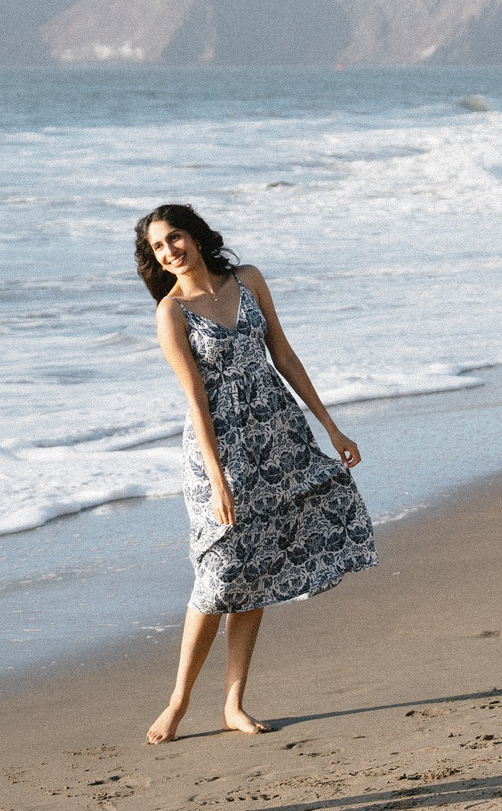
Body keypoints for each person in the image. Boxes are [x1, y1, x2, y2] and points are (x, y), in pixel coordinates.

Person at [135, 203, 377, 743]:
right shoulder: (171, 313)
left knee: (256, 570)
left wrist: (331, 427)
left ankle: (234, 704)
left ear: (195, 237)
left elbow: (283, 355)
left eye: (176, 237)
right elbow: (195, 400)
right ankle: (177, 703)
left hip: (277, 435)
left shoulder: (247, 280)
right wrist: (218, 479)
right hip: (219, 451)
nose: (170, 250)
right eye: (158, 247)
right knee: (217, 576)